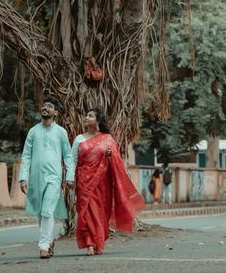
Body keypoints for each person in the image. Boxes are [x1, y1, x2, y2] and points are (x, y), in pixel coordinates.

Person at [68, 107, 145, 256]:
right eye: (86, 115)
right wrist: (70, 178)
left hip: (103, 182)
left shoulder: (108, 138)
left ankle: (98, 241)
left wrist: (110, 156)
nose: (86, 118)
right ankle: (90, 243)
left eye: (90, 116)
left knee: (100, 212)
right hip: (84, 180)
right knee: (86, 211)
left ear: (97, 120)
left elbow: (117, 160)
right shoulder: (79, 139)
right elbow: (72, 160)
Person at [18, 99, 75, 259]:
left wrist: (70, 176)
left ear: (56, 112)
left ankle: (43, 246)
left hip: (54, 177)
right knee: (40, 213)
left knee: (47, 210)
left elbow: (68, 156)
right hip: (36, 177)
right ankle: (49, 241)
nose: (45, 107)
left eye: (49, 106)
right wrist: (23, 178)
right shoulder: (33, 131)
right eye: (44, 105)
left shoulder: (60, 132)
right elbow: (26, 156)